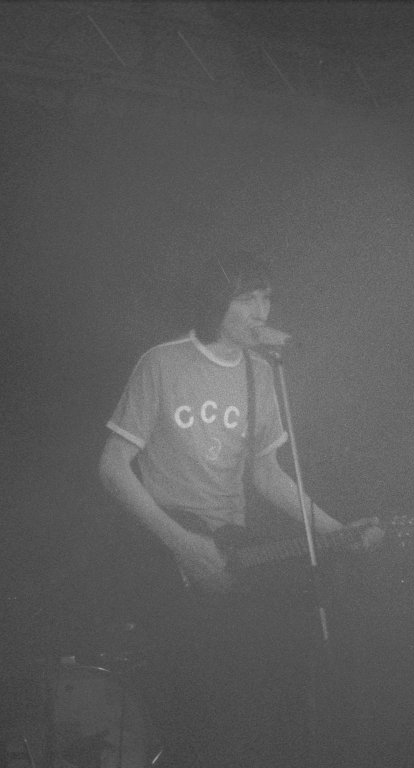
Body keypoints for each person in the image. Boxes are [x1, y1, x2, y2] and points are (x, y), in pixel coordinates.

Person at [97, 250, 379, 768]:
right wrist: (182, 542)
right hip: (164, 552)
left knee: (257, 689)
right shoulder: (162, 363)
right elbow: (113, 467)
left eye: (266, 297)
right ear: (216, 302)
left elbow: (267, 474)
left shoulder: (259, 372)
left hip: (230, 551)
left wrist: (336, 531)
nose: (261, 311)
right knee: (192, 706)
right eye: (247, 298)